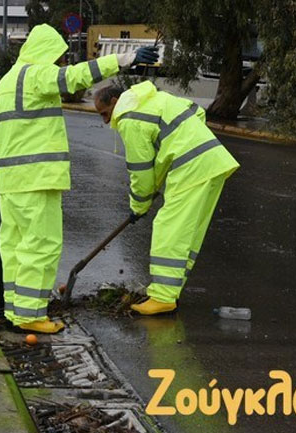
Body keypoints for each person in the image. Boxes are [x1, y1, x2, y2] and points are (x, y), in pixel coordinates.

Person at [0, 24, 158, 334]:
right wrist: (124, 59)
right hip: (37, 178)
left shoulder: (6, 83)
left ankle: (16, 309)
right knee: (41, 245)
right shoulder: (34, 74)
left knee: (13, 246)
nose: (59, 62)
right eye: (57, 57)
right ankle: (30, 315)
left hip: (11, 180)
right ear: (45, 52)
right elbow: (74, 77)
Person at [93, 82, 239, 315]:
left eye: (104, 113)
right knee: (187, 234)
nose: (105, 121)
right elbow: (196, 112)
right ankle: (171, 290)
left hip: (191, 169)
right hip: (212, 162)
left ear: (115, 102)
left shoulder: (129, 119)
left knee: (168, 229)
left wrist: (139, 206)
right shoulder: (154, 99)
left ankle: (162, 297)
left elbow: (141, 171)